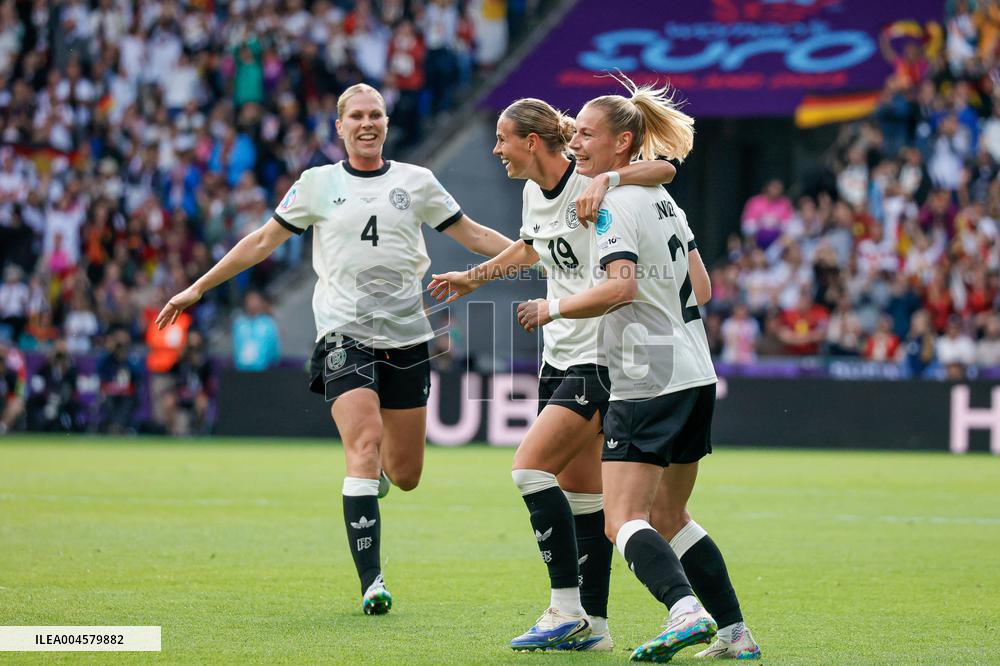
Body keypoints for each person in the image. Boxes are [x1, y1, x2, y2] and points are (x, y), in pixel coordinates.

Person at [157, 83, 513, 615]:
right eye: (357, 117)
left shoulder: (417, 183)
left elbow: (476, 235)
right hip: (344, 333)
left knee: (408, 474)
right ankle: (372, 583)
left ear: (387, 124)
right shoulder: (317, 184)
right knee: (363, 447)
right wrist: (198, 286)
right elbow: (260, 242)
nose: (367, 124)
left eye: (376, 115)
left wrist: (543, 257)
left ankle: (378, 481)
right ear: (339, 127)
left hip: (408, 337)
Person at [515, 76, 761, 661]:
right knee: (671, 516)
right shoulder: (663, 198)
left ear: (622, 143)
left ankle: (685, 611)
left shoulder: (611, 205)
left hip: (644, 377)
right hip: (695, 370)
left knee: (620, 517)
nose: (575, 142)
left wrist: (554, 307)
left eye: (586, 134)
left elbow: (619, 289)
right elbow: (699, 286)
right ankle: (736, 634)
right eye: (573, 132)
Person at [428, 98, 676, 651]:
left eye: (502, 139)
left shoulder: (589, 179)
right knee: (584, 497)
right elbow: (530, 246)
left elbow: (664, 169)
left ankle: (563, 607)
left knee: (528, 469)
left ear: (532, 142)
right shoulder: (530, 193)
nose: (496, 150)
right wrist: (475, 277)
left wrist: (608, 176)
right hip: (557, 356)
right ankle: (596, 628)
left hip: (599, 355)